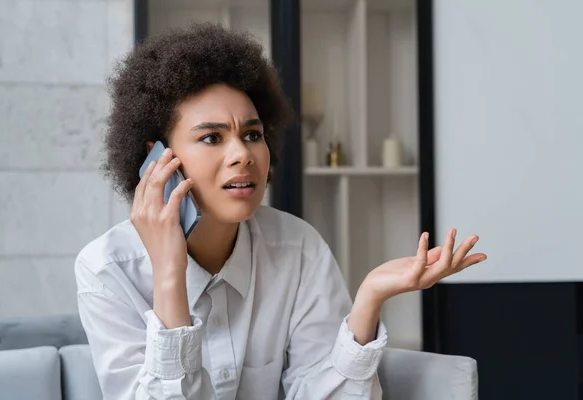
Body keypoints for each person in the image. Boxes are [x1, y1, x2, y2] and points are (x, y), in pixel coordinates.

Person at [75, 23, 486, 400]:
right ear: (158, 159)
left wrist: (370, 297)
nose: (242, 154)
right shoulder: (107, 270)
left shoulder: (298, 248)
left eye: (252, 134)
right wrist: (169, 275)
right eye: (212, 138)